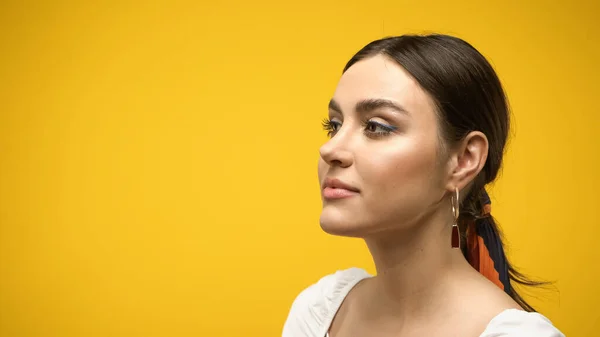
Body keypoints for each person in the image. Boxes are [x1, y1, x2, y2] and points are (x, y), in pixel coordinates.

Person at [282, 34, 565, 337]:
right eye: (334, 126)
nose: (330, 150)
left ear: (463, 160)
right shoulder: (320, 312)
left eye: (376, 127)